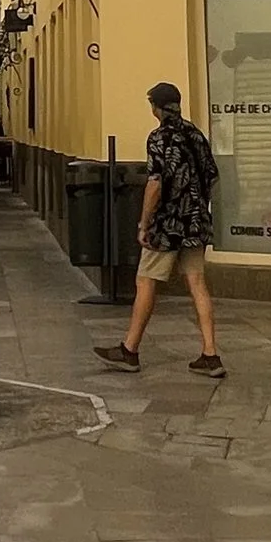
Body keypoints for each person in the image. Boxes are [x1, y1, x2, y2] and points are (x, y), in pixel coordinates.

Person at [95, 78, 224, 377]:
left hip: (168, 225)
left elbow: (154, 183)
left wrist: (144, 222)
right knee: (197, 283)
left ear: (156, 107)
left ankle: (130, 350)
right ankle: (210, 353)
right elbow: (212, 176)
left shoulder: (158, 138)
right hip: (196, 221)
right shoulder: (196, 134)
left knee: (146, 281)